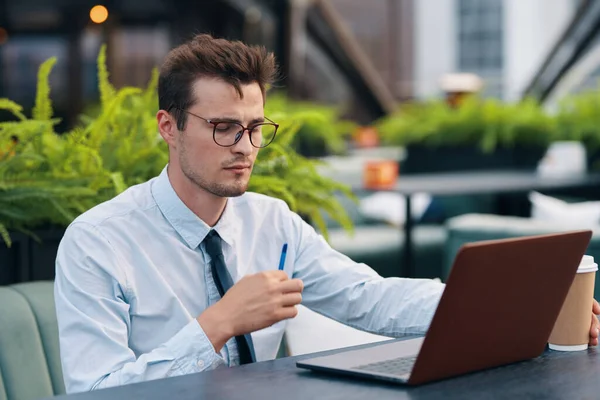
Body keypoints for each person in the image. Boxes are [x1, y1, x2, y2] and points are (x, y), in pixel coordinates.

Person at [54, 34, 600, 394]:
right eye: (223, 127)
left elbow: (371, 299)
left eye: (255, 129)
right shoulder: (97, 242)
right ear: (168, 128)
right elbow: (95, 390)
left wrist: (526, 304)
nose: (244, 147)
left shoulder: (271, 221)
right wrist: (216, 325)